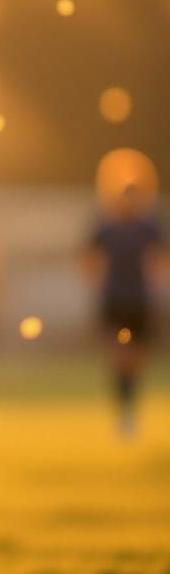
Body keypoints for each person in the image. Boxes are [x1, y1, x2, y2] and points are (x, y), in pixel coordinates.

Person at [83, 182, 165, 438]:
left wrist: (160, 285)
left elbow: (160, 259)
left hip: (139, 301)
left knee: (137, 358)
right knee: (120, 355)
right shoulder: (107, 227)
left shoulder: (148, 227)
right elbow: (89, 257)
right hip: (115, 300)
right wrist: (96, 283)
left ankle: (130, 408)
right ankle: (122, 409)